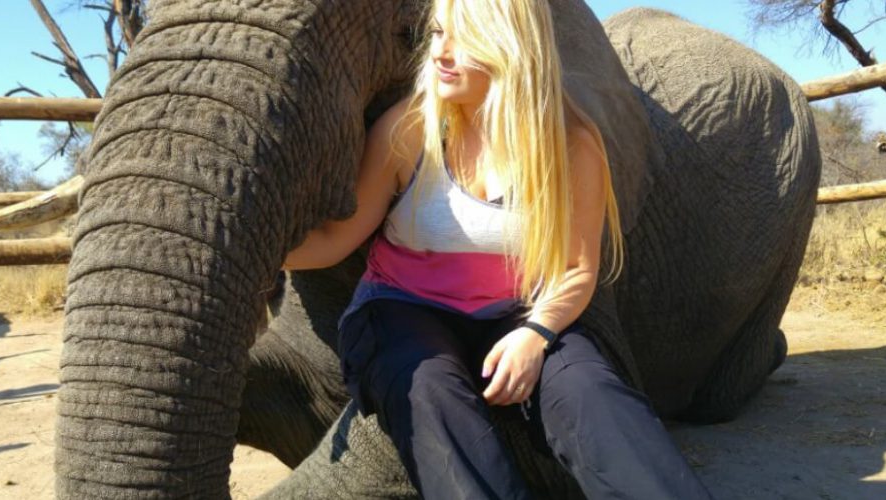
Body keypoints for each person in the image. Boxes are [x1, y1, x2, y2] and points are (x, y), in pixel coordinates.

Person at [282, 0, 711, 498]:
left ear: (513, 48)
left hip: (519, 312)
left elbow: (576, 269)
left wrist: (536, 335)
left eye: (464, 39)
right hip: (402, 309)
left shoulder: (571, 145)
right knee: (429, 388)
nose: (440, 52)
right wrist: (255, 258)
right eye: (438, 33)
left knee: (590, 393)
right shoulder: (410, 128)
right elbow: (338, 238)